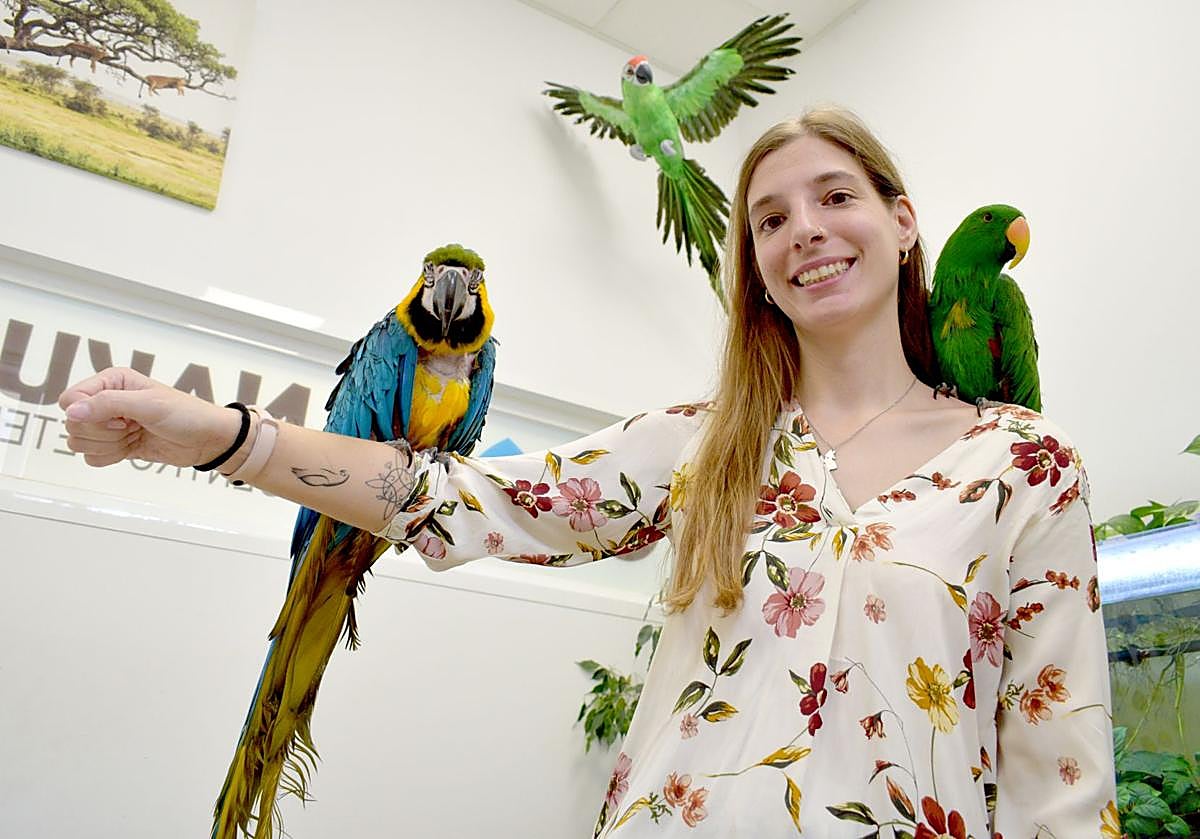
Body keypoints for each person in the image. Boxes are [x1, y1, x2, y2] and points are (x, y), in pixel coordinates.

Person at [58, 108, 1118, 837]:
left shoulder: (1023, 461)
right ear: (753, 264)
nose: (804, 231)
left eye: (834, 195)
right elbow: (468, 499)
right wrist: (216, 433)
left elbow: (1061, 775)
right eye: (769, 218)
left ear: (901, 220)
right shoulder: (705, 442)